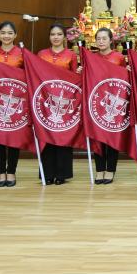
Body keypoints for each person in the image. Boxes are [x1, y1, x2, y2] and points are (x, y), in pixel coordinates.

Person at [37, 23, 79, 186]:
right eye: (53, 34)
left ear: (65, 37)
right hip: (46, 101)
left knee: (63, 135)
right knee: (47, 136)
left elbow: (75, 78)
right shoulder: (41, 54)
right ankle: (47, 173)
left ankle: (62, 173)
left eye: (59, 34)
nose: (56, 37)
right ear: (49, 37)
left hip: (65, 101)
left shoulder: (71, 55)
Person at [0, 21, 24, 187]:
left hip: (17, 102)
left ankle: (11, 172)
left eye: (10, 33)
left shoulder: (23, 53)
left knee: (14, 137)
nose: (6, 36)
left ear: (15, 35)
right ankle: (1, 173)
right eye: (3, 33)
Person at [91, 27, 125, 185]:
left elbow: (124, 79)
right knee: (97, 137)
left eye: (104, 38)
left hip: (113, 102)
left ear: (111, 40)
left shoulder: (118, 58)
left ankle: (110, 170)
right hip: (97, 103)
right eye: (98, 39)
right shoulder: (91, 58)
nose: (101, 41)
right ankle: (99, 170)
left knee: (112, 137)